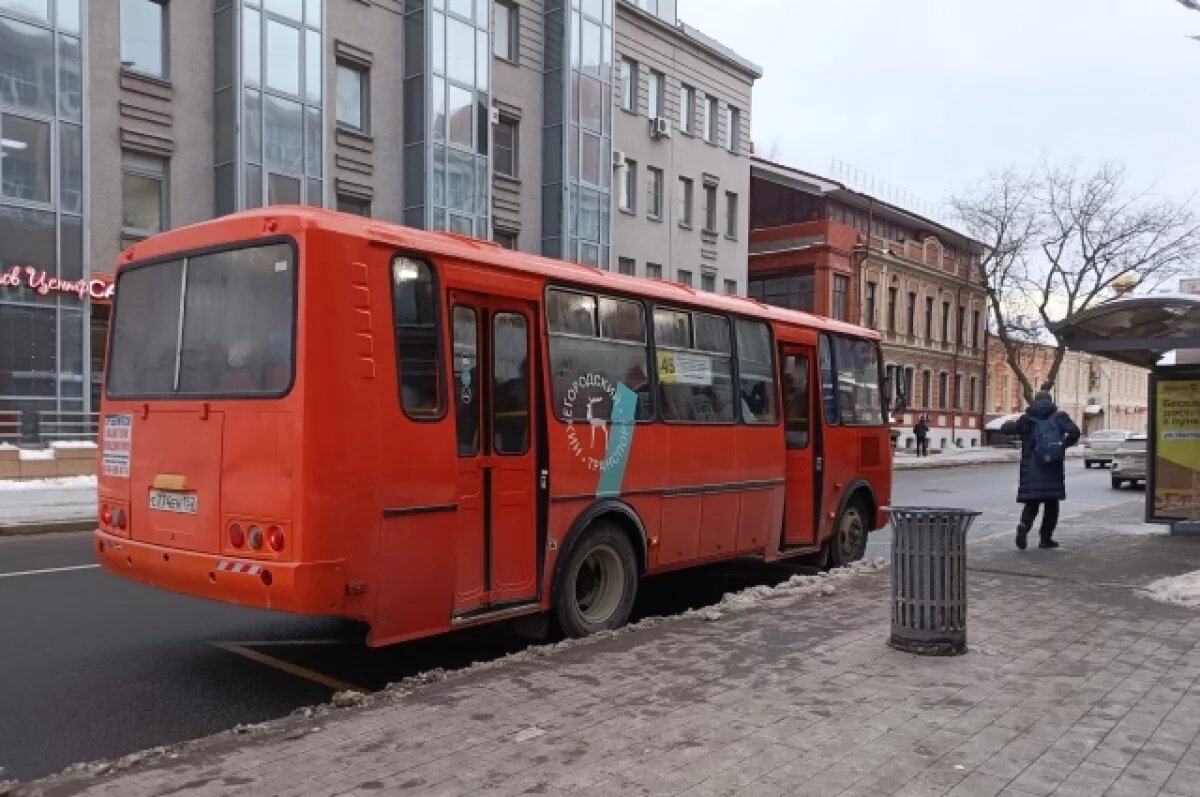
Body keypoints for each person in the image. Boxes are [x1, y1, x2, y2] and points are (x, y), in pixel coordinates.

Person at [1000, 385, 1081, 550]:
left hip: (1031, 468)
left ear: (1035, 402)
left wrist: (1008, 423)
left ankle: (1024, 526)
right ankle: (1045, 539)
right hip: (1052, 467)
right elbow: (1075, 432)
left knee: (1032, 502)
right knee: (1052, 505)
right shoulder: (1059, 417)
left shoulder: (1027, 419)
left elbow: (1006, 429)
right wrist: (1063, 446)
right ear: (1050, 401)